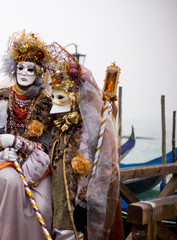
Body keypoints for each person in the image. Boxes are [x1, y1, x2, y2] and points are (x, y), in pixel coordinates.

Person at [0, 30, 53, 240]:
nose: (24, 72)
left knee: (43, 206)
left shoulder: (45, 103)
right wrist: (0, 154)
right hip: (1, 163)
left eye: (31, 69)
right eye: (20, 67)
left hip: (35, 164)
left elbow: (45, 144)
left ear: (38, 73)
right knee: (10, 182)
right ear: (14, 68)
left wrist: (18, 144)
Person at [45, 42, 122, 240]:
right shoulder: (57, 124)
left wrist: (86, 201)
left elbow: (106, 165)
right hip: (56, 194)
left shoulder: (93, 122)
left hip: (82, 199)